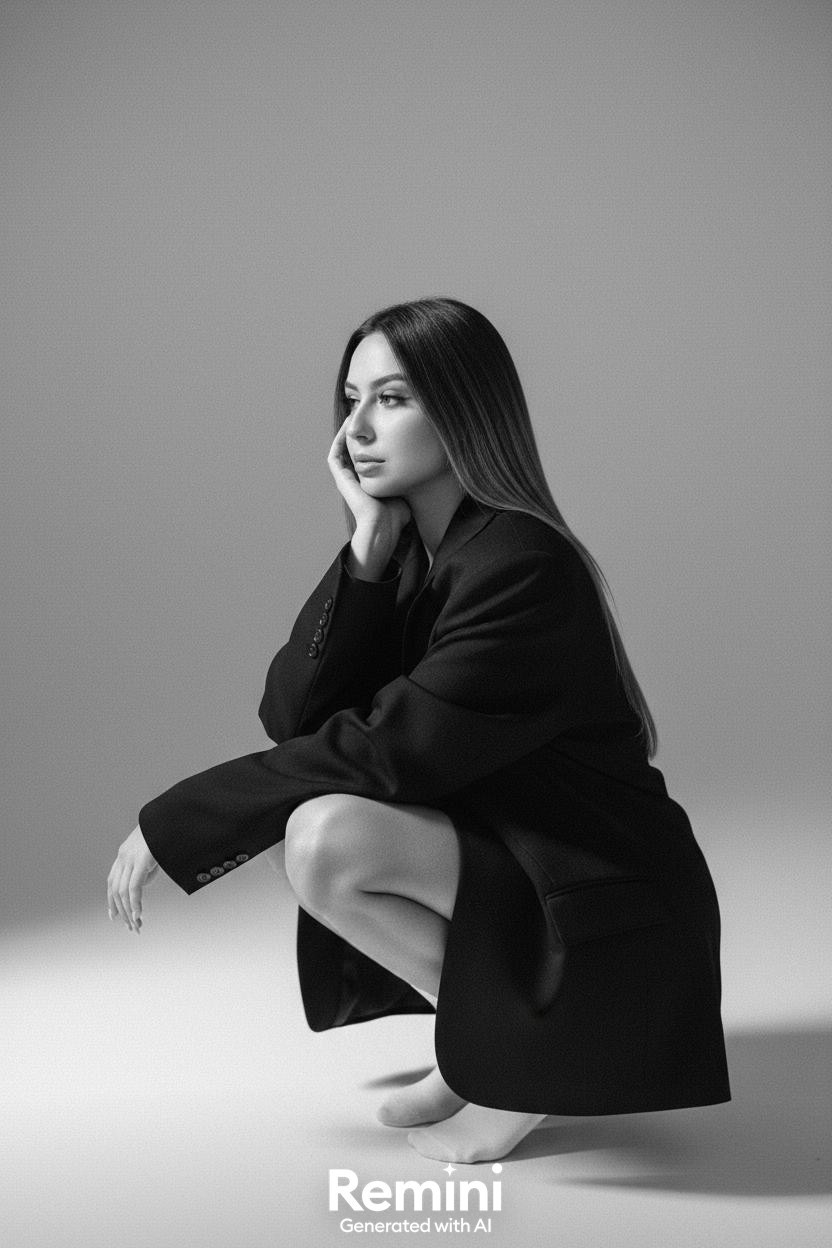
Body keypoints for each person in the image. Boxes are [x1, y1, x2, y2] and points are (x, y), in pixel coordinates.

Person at [106, 297, 730, 1164]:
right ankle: (480, 1044)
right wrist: (363, 554)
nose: (357, 427)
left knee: (325, 833)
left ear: (463, 410)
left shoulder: (519, 564)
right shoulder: (415, 555)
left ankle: (521, 1067)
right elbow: (294, 721)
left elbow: (388, 749)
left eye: (392, 398)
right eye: (350, 399)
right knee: (312, 840)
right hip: (515, 853)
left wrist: (178, 817)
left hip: (603, 885)